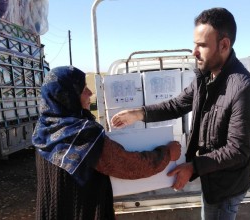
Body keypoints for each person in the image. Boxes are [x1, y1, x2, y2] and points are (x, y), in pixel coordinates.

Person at [111, 7, 250, 220]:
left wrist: (194, 167)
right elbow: (176, 105)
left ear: (224, 45)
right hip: (211, 178)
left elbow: (237, 150)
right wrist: (139, 114)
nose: (194, 52)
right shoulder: (205, 77)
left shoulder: (243, 88)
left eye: (202, 45)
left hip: (225, 187)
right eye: (194, 44)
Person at [32, 66, 181, 220]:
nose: (90, 93)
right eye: (84, 89)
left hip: (53, 211)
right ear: (67, 96)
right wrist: (167, 153)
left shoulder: (43, 129)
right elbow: (129, 166)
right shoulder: (83, 135)